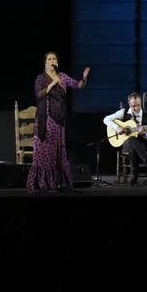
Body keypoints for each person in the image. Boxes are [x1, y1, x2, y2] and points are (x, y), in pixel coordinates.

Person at [26, 51, 90, 193]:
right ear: (45, 62)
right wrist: (52, 84)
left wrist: (84, 78)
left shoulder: (62, 77)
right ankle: (43, 183)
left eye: (54, 58)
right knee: (46, 152)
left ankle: (58, 182)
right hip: (46, 119)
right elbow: (38, 95)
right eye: (49, 59)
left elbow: (77, 85)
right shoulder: (41, 78)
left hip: (59, 120)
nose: (52, 60)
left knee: (58, 153)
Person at [103, 92, 147, 186]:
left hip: (142, 145)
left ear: (141, 103)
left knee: (133, 145)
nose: (136, 108)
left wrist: (144, 134)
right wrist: (117, 128)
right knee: (131, 139)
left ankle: (133, 179)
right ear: (129, 104)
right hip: (125, 145)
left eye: (138, 105)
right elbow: (106, 119)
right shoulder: (123, 113)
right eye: (133, 106)